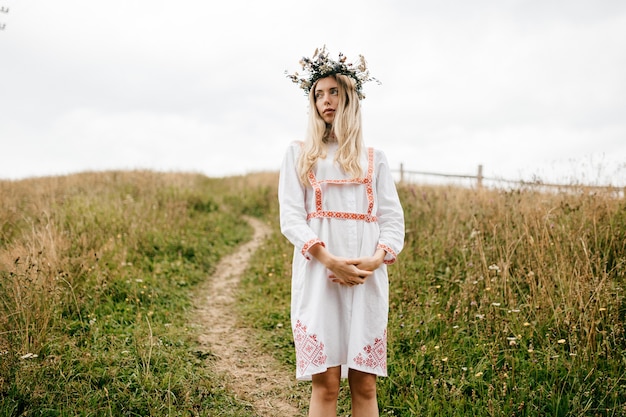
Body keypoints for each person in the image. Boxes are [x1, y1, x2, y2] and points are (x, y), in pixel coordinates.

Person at [279, 46, 405, 417]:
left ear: (349, 97)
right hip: (320, 275)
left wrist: (374, 260)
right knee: (327, 383)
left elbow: (393, 221)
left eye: (333, 92)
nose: (325, 101)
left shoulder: (373, 158)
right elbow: (291, 218)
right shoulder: (300, 154)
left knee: (365, 383)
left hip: (366, 279)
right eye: (318, 94)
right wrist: (330, 260)